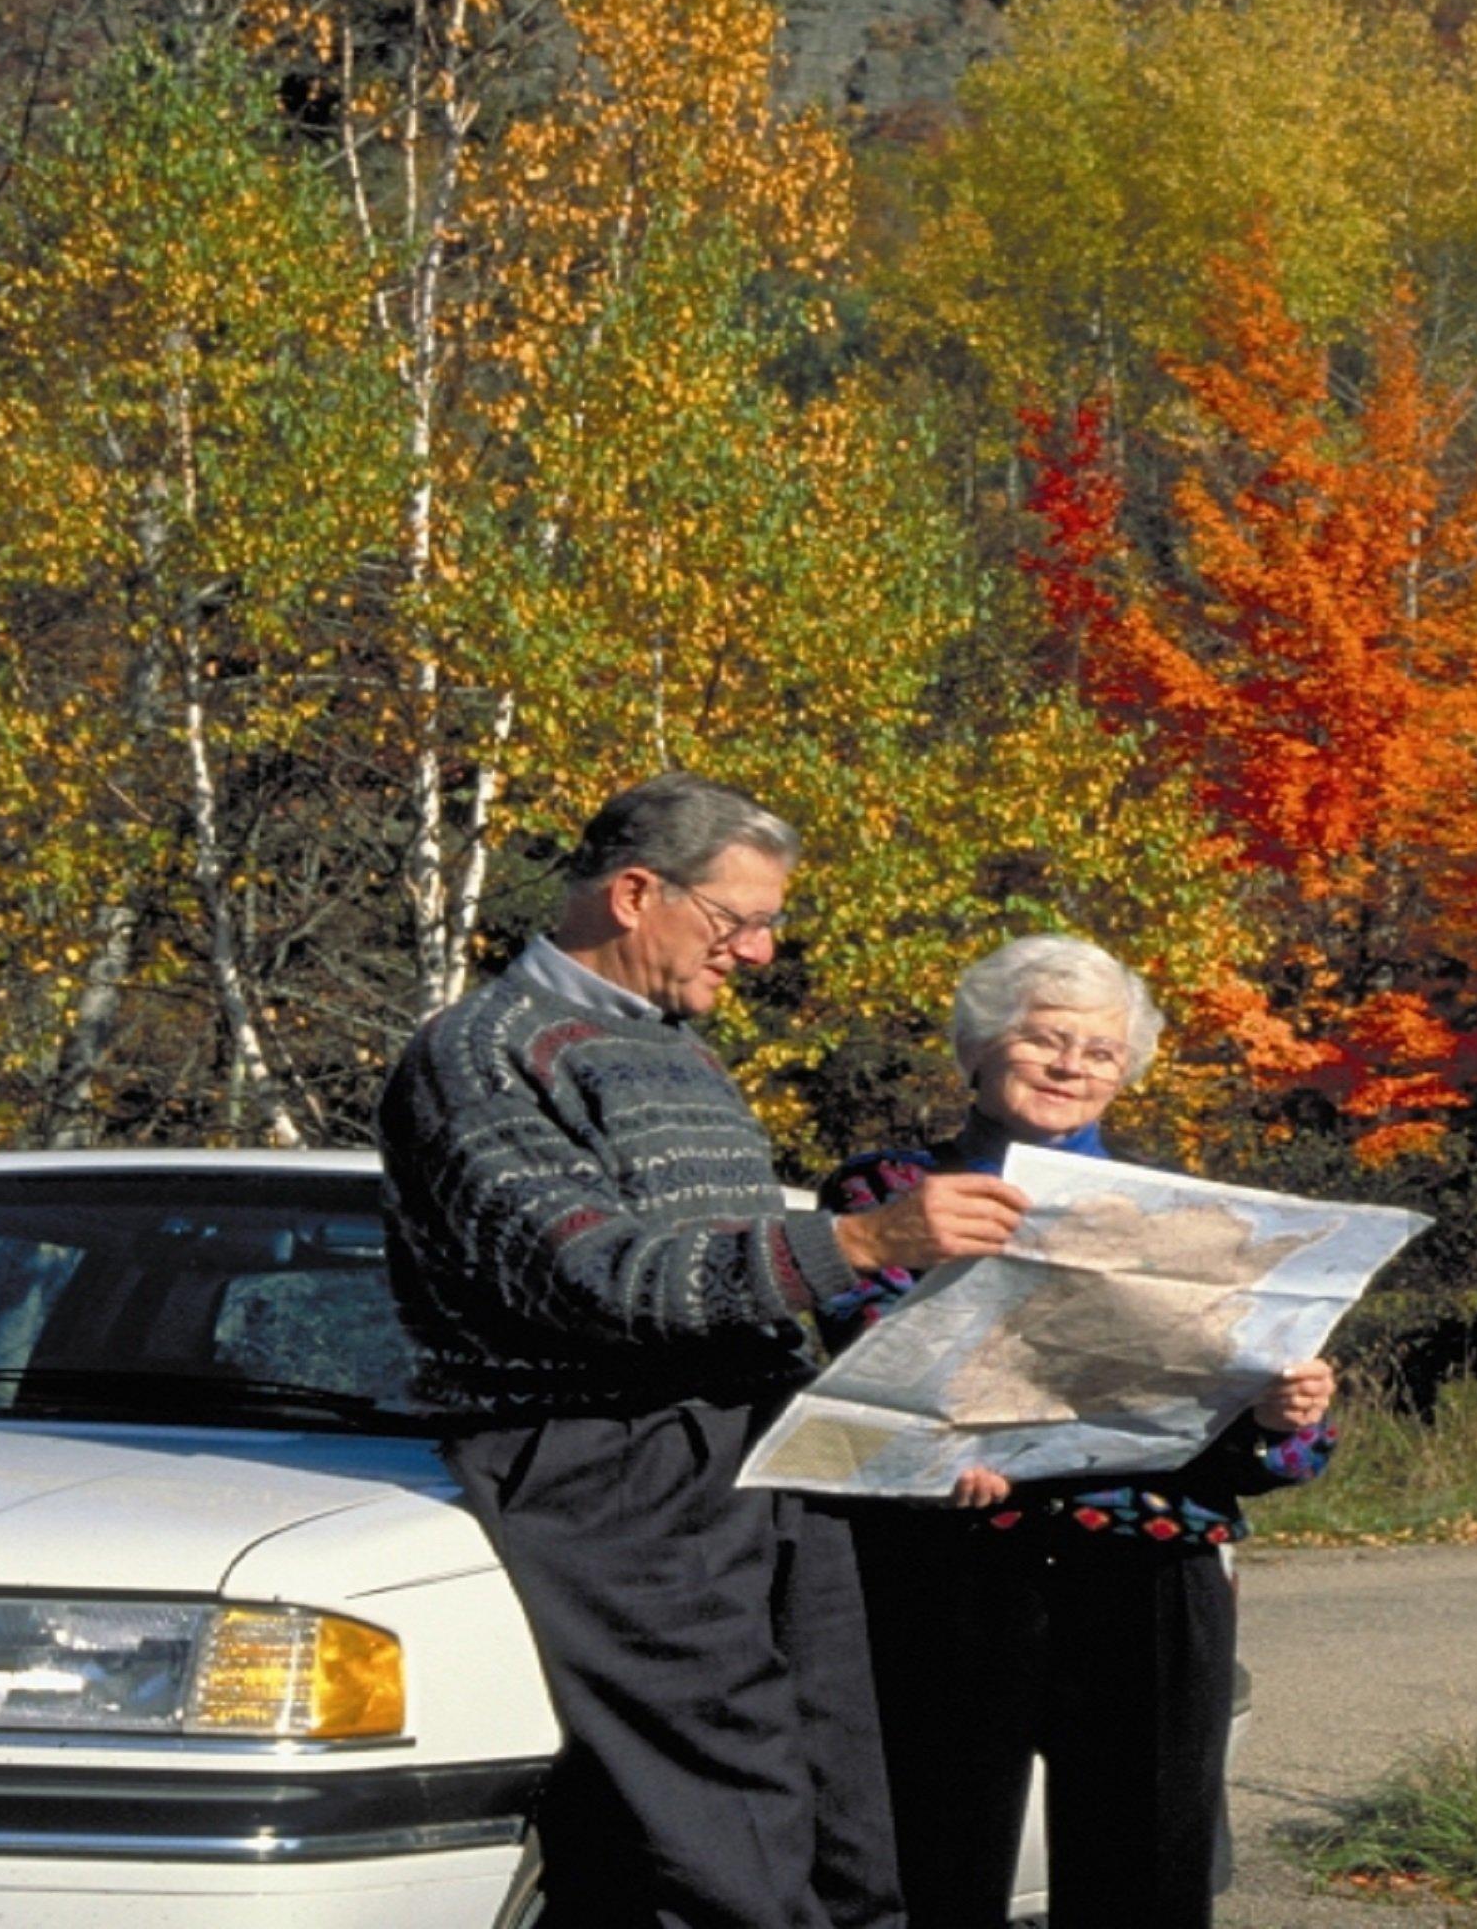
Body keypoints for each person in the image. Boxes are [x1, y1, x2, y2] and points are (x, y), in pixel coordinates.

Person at [377, 771, 1032, 1929]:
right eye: (743, 920)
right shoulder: (480, 1053)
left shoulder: (676, 1050)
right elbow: (599, 1278)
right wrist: (862, 1238)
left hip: (749, 1449)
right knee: (724, 1830)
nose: (764, 952)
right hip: (607, 1463)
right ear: (636, 893)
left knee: (844, 1810)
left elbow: (735, 1282)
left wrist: (902, 1417)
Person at [820, 932, 1339, 1929]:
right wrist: (943, 1447)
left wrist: (1283, 1416)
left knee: (1146, 1877)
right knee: (936, 1865)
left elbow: (1266, 1442)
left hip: (1154, 1562)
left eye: (1099, 1052)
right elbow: (872, 1360)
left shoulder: (1183, 1214)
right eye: (1044, 1039)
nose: (1071, 1066)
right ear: (977, 1050)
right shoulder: (892, 1193)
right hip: (959, 1562)